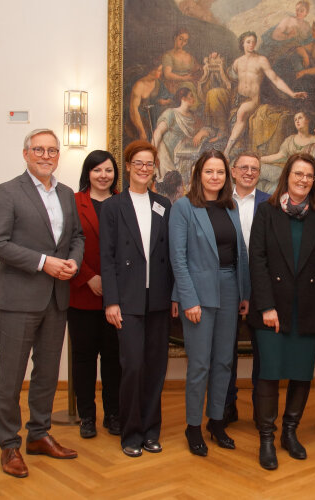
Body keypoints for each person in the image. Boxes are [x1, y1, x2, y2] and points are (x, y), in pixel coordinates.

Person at [0, 129, 84, 478]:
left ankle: (39, 435)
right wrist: (44, 262)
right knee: (11, 377)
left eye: (52, 150)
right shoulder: (7, 192)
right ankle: (9, 445)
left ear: (58, 156)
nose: (46, 155)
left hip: (56, 299)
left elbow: (76, 237)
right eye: (38, 149)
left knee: (46, 373)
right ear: (26, 154)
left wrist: (73, 260)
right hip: (18, 299)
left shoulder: (67, 194)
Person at [249, 153, 315, 470]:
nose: (303, 180)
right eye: (298, 173)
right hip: (273, 308)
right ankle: (268, 439)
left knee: (301, 373)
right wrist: (266, 306)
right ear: (287, 176)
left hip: (310, 308)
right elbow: (256, 261)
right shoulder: (267, 212)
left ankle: (290, 432)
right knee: (269, 374)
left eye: (309, 176)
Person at [169, 149, 251, 456]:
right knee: (200, 364)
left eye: (219, 172)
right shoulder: (184, 208)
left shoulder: (230, 207)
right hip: (198, 295)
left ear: (226, 175)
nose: (214, 177)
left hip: (230, 289)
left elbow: (239, 252)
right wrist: (187, 298)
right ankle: (193, 427)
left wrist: (244, 293)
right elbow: (178, 258)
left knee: (224, 363)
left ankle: (216, 422)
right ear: (198, 174)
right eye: (209, 172)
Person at [100, 140, 173, 458]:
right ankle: (130, 432)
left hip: (158, 298)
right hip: (127, 300)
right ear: (128, 166)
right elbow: (108, 257)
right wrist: (111, 301)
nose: (144, 168)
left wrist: (174, 295)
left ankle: (150, 430)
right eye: (138, 163)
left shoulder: (164, 204)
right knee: (131, 366)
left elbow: (170, 256)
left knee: (156, 366)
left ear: (154, 167)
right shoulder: (112, 207)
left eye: (149, 163)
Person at [68, 150, 121, 439]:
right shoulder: (74, 203)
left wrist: (112, 282)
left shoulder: (122, 202)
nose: (103, 175)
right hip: (83, 294)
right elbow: (64, 244)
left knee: (114, 359)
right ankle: (86, 415)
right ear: (88, 173)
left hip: (117, 297)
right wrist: (88, 277)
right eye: (97, 170)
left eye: (109, 170)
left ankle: (113, 414)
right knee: (84, 358)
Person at [224, 152, 270, 426]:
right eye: (244, 167)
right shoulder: (220, 201)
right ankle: (227, 405)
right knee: (224, 352)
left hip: (259, 285)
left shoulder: (270, 202)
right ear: (233, 171)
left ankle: (260, 409)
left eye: (255, 168)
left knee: (262, 351)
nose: (249, 172)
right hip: (227, 284)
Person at [223, 31, 308, 158]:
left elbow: (275, 79)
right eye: (248, 42)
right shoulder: (237, 62)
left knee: (241, 114)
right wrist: (220, 69)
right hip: (238, 98)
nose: (252, 45)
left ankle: (226, 151)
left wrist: (292, 93)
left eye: (253, 42)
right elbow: (230, 79)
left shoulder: (261, 60)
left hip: (251, 100)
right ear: (243, 44)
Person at [152, 87, 212, 184]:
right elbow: (158, 132)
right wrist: (153, 153)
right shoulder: (171, 113)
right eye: (191, 97)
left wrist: (201, 133)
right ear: (183, 99)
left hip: (183, 154)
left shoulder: (194, 117)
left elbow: (206, 129)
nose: (194, 99)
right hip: (166, 155)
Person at [258, 111, 315, 193]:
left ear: (307, 120)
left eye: (300, 118)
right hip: (285, 172)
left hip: (303, 177)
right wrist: (257, 159)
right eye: (295, 119)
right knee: (258, 169)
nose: (297, 121)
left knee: (274, 190)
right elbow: (279, 156)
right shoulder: (290, 139)